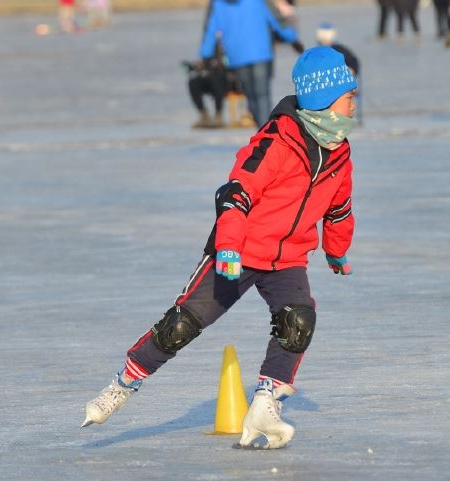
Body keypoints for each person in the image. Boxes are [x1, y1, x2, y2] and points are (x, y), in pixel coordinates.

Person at [81, 46, 359, 451]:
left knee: (298, 320)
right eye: (350, 95)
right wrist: (228, 247)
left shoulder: (341, 152)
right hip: (240, 250)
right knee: (183, 325)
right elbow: (236, 195)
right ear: (326, 98)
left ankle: (266, 403)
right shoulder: (276, 141)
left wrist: (337, 251)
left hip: (287, 259)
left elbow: (339, 208)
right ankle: (124, 383)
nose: (355, 102)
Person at [200, 0, 301, 127]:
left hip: (237, 56)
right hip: (261, 53)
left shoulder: (218, 3)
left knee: (251, 96)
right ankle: (266, 132)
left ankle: (262, 129)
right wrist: (292, 37)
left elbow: (210, 28)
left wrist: (206, 53)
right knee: (262, 95)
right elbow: (275, 18)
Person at [185, 55, 228, 129]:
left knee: (217, 79)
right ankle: (204, 116)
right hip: (211, 74)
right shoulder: (208, 44)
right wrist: (200, 65)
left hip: (228, 76)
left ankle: (218, 116)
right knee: (193, 82)